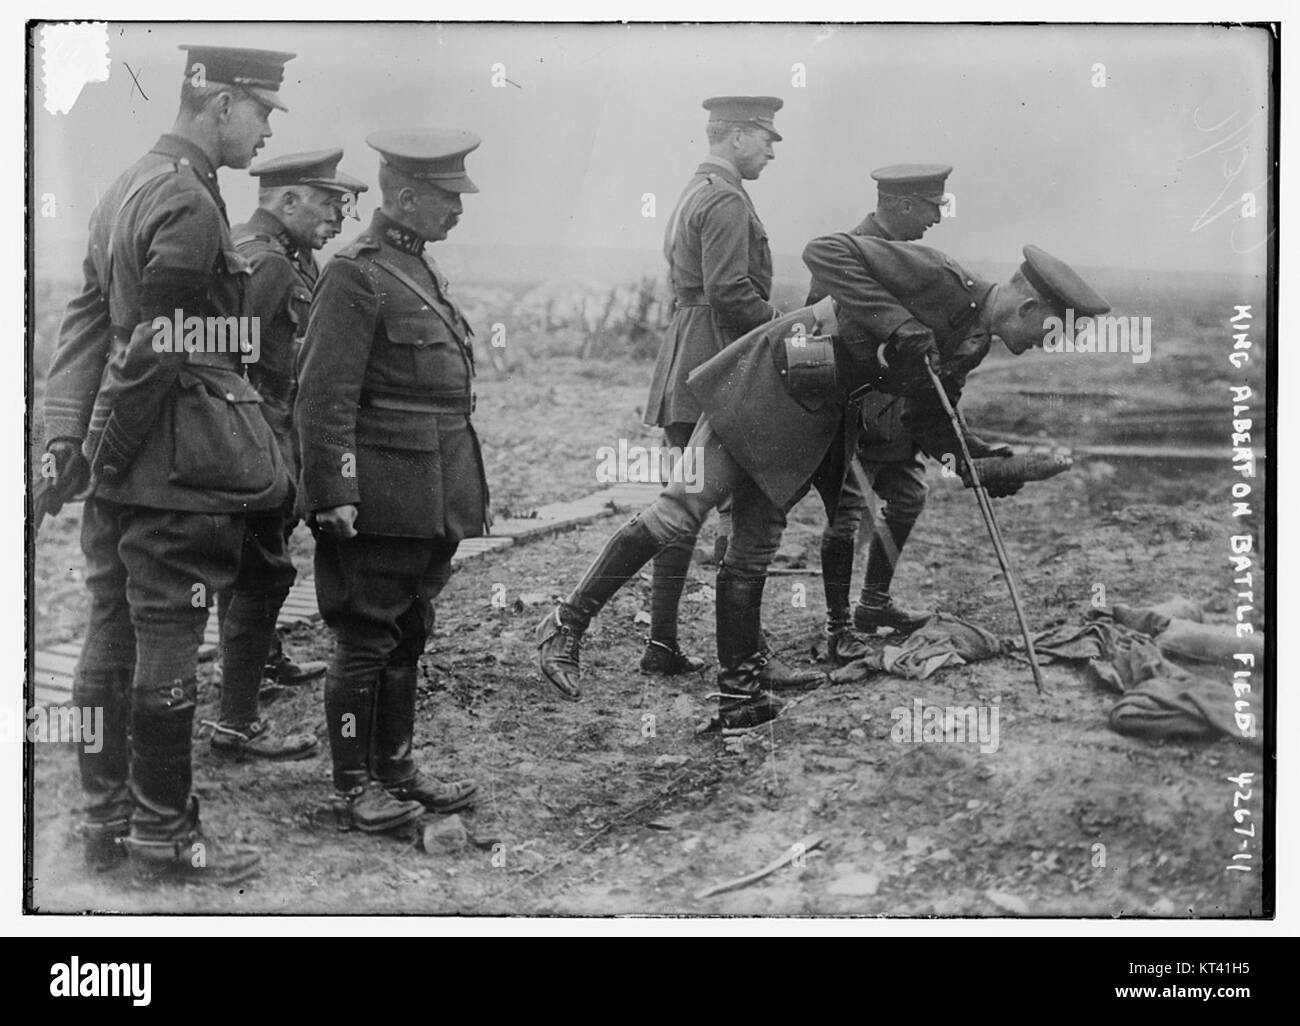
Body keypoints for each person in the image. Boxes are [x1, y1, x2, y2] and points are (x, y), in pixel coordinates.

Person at [537, 239, 1108, 730]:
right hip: (768, 379)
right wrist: (899, 322)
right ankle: (564, 625)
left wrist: (983, 464)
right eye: (1046, 332)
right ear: (1031, 304)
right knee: (678, 512)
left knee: (756, 543)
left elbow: (928, 419)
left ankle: (739, 694)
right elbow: (826, 252)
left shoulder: (971, 344)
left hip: (815, 411)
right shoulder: (937, 275)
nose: (1042, 345)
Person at [41, 45, 295, 883]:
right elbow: (158, 346)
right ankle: (163, 837)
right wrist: (104, 449)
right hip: (173, 466)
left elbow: (83, 325)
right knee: (168, 641)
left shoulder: (126, 185)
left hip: (125, 468)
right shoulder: (187, 201)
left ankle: (103, 823)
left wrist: (66, 443)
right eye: (260, 112)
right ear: (219, 103)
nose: (264, 132)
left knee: (108, 634)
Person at [296, 128, 486, 836]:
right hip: (379, 489)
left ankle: (396, 771)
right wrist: (334, 489)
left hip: (430, 489)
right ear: (405, 197)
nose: (458, 210)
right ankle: (354, 787)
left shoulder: (419, 270)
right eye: (447, 198)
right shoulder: (356, 273)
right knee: (365, 636)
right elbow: (323, 396)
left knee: (408, 629)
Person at [207, 149, 367, 761]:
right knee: (260, 569)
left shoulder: (290, 255)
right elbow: (228, 359)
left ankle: (261, 664)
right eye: (328, 205)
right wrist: (254, 442)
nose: (337, 219)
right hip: (258, 434)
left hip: (275, 430)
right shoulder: (265, 261)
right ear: (287, 200)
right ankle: (236, 723)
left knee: (260, 557)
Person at [803, 163, 991, 662]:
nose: (935, 219)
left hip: (901, 414)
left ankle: (875, 604)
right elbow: (815, 338)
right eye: (931, 208)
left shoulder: (912, 257)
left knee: (908, 497)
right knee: (845, 518)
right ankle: (838, 626)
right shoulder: (849, 252)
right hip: (854, 412)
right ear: (904, 205)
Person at [638, 96, 789, 677]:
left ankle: (662, 641)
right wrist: (780, 328)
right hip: (714, 360)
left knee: (684, 504)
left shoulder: (694, 189)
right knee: (732, 505)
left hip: (684, 355)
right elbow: (730, 292)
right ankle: (742, 650)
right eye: (766, 138)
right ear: (737, 137)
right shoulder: (725, 197)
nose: (772, 149)